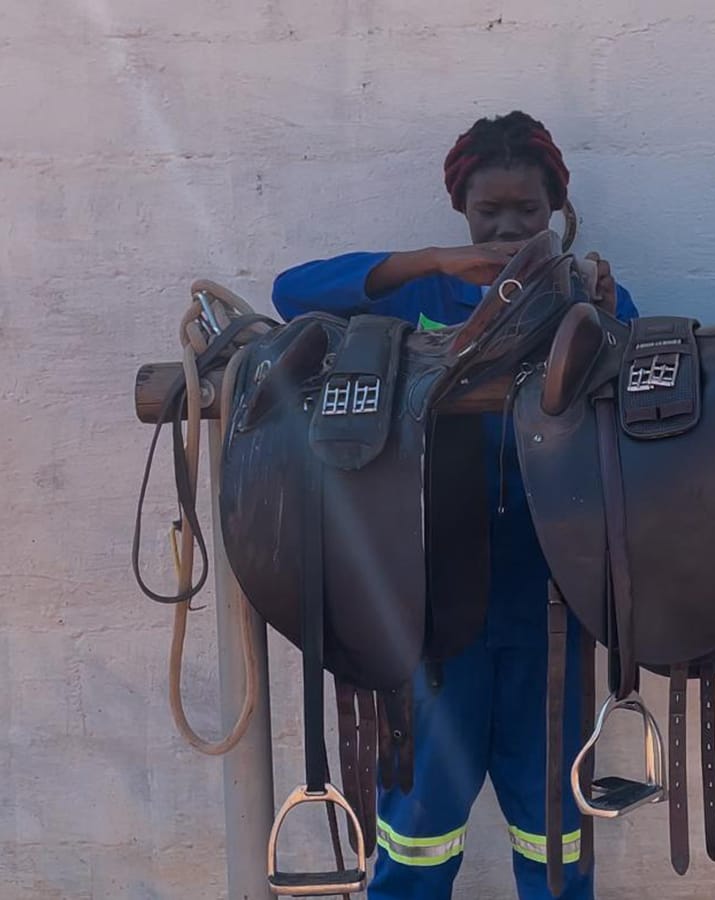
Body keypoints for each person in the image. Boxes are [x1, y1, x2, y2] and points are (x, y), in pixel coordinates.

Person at [272, 110, 638, 900]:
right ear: (460, 211)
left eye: (527, 213)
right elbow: (290, 290)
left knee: (553, 821)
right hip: (434, 605)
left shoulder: (580, 291)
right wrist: (432, 262)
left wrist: (605, 307)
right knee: (420, 819)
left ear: (557, 210)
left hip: (552, 597)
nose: (507, 229)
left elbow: (633, 368)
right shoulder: (424, 292)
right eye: (488, 213)